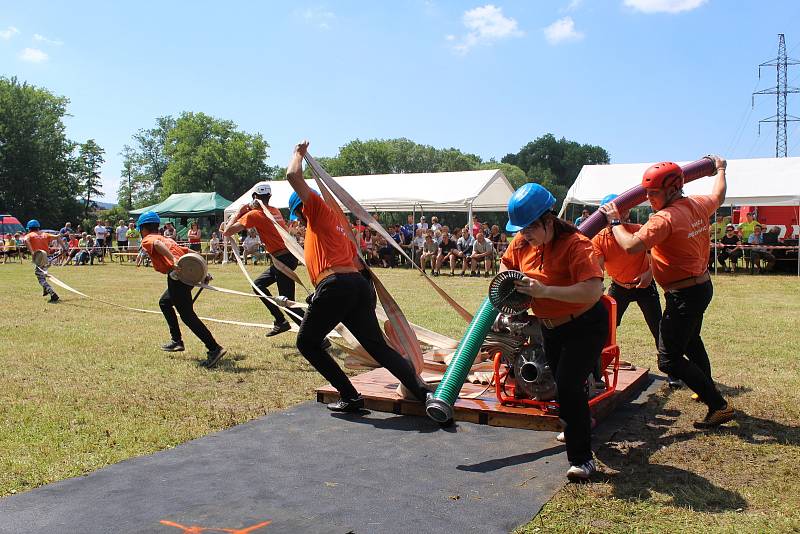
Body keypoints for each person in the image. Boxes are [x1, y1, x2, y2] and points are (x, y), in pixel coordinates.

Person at [285, 140, 430, 412]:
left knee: (306, 343)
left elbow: (293, 176)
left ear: (302, 207)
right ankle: (424, 394)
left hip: (338, 287)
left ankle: (350, 396)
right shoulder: (337, 226)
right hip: (354, 286)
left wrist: (298, 155)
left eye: (297, 215)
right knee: (377, 348)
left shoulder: (315, 208)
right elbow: (353, 264)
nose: (298, 222)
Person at [599, 157, 734, 429]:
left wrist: (615, 222)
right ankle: (708, 391)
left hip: (683, 294)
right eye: (646, 192)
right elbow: (718, 195)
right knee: (692, 339)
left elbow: (632, 246)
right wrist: (720, 169)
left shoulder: (664, 219)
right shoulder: (695, 203)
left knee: (669, 360)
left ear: (672, 190)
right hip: (700, 287)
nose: (648, 198)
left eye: (654, 193)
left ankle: (719, 405)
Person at [501, 183, 607, 481]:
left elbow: (592, 290)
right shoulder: (522, 243)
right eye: (520, 229)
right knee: (564, 387)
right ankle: (578, 422)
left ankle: (582, 459)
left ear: (548, 220)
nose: (524, 235)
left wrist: (544, 290)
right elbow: (506, 265)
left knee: (568, 385)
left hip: (584, 325)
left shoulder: (577, 245)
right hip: (550, 327)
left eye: (529, 228)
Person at [591, 193, 670, 384]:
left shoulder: (638, 230)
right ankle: (597, 372)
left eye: (622, 211)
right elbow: (598, 267)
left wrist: (648, 274)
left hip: (644, 286)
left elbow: (656, 254)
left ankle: (672, 369)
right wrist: (595, 285)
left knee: (658, 327)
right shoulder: (600, 239)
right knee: (606, 328)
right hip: (619, 287)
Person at [138, 211, 226, 368]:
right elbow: (190, 252)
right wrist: (203, 271)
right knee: (165, 303)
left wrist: (172, 260)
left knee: (187, 316)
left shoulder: (149, 239)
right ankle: (176, 341)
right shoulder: (165, 238)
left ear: (142, 228)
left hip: (178, 277)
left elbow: (158, 247)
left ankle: (214, 348)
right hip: (184, 277)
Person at [224, 181, 306, 336]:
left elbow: (227, 231)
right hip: (286, 257)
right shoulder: (274, 210)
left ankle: (315, 336)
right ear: (269, 197)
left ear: (255, 197)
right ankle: (280, 321)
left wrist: (238, 212)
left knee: (288, 302)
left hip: (282, 259)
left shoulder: (254, 214)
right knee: (258, 286)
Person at [23, 220, 60, 303]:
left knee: (40, 277)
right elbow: (57, 236)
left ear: (29, 228)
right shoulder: (45, 234)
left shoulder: (29, 235)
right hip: (49, 258)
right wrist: (64, 247)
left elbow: (25, 240)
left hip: (40, 258)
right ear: (38, 227)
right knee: (41, 274)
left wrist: (32, 252)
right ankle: (45, 290)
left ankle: (53, 294)